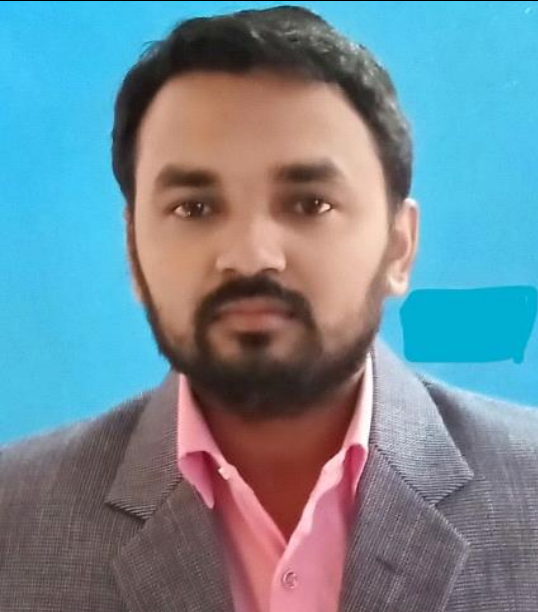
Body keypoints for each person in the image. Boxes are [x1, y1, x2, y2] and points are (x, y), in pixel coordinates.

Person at [1, 5, 538, 612]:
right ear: (133, 250)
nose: (251, 256)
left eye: (309, 204)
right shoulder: (12, 520)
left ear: (399, 246)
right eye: (194, 208)